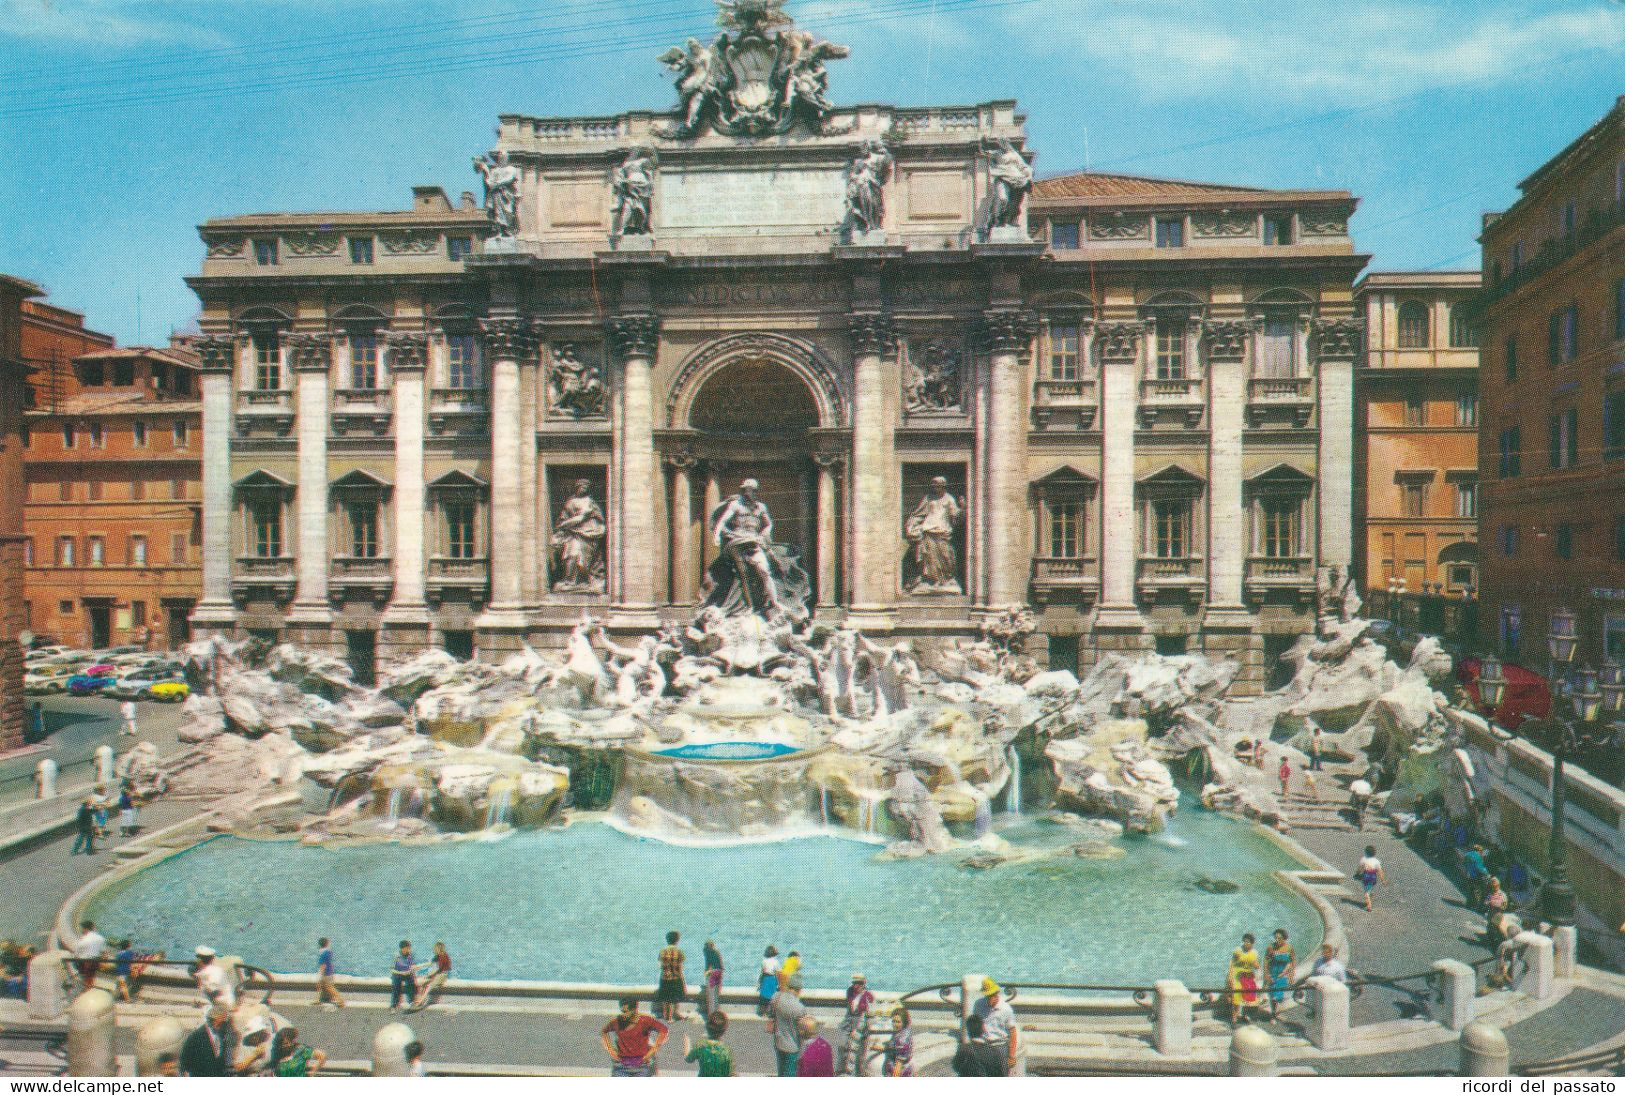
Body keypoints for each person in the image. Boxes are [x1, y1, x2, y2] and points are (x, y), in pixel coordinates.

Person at [903, 477, 964, 593]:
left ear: (943, 486)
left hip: (943, 532)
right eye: (935, 486)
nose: (937, 488)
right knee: (929, 557)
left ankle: (946, 580)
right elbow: (919, 513)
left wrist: (962, 508)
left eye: (939, 486)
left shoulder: (949, 499)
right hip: (928, 531)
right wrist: (913, 523)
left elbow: (955, 516)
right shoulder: (928, 498)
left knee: (946, 556)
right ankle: (931, 581)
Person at [601, 998, 668, 1077]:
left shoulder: (645, 1020)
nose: (624, 1015)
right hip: (621, 1066)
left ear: (635, 1009)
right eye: (622, 1011)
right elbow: (604, 1031)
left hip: (642, 1065)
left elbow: (664, 1030)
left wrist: (653, 1049)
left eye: (626, 1012)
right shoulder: (617, 1021)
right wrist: (610, 1050)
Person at [971, 978, 1018, 1074]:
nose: (990, 998)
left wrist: (1011, 1056)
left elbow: (1013, 1032)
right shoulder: (978, 1005)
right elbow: (975, 1024)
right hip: (983, 1045)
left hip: (1000, 1047)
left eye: (992, 995)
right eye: (988, 995)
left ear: (997, 994)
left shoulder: (1006, 1009)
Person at [768, 974, 809, 1076]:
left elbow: (771, 1014)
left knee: (781, 1072)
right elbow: (803, 1030)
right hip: (792, 1046)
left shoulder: (776, 997)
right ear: (799, 989)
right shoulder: (799, 1007)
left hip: (778, 1042)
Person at [179, 1005, 236, 1077]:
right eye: (222, 1022)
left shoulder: (224, 1035)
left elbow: (226, 1060)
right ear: (212, 1021)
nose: (225, 1025)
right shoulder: (195, 1036)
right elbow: (183, 1062)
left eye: (225, 1022)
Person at [836, 972, 874, 1075]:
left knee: (857, 1051)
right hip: (848, 1021)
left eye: (858, 983)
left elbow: (867, 1012)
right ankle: (839, 1070)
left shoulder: (868, 996)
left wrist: (856, 1029)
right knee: (842, 1045)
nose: (855, 986)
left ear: (863, 984)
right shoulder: (850, 991)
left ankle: (854, 1073)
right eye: (854, 983)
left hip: (860, 1023)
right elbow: (851, 1007)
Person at [683, 1010, 734, 1077]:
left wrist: (686, 1043)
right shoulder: (726, 1050)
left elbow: (688, 1059)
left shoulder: (701, 1045)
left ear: (707, 1027)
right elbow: (729, 1073)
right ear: (724, 1030)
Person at [1226, 934, 1262, 1025]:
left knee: (1249, 996)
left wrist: (1257, 977)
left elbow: (1256, 966)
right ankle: (1234, 1018)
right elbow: (1232, 964)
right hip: (1237, 974)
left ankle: (1245, 1015)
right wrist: (1230, 976)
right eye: (1245, 941)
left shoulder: (1254, 953)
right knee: (1236, 997)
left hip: (1248, 975)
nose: (1246, 943)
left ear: (1252, 943)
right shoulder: (1238, 951)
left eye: (1248, 942)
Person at [1264, 929, 1296, 1020]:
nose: (1277, 940)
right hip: (1273, 972)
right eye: (1276, 938)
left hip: (1283, 973)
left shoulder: (1289, 948)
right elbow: (1266, 960)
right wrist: (1267, 974)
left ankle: (1276, 1013)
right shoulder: (1271, 947)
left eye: (1280, 938)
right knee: (1273, 996)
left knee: (1279, 997)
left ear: (1284, 938)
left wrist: (1291, 975)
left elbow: (1293, 960)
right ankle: (1273, 1015)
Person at [411, 941, 452, 1011]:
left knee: (429, 987)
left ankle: (419, 1003)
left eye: (435, 949)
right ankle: (419, 1000)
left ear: (439, 949)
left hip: (443, 974)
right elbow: (429, 963)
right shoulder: (438, 956)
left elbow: (439, 970)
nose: (434, 950)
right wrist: (418, 966)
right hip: (439, 973)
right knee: (423, 983)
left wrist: (430, 975)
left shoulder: (444, 956)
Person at [656, 931, 686, 1022]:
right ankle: (676, 1013)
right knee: (676, 996)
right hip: (676, 978)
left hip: (665, 977)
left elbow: (660, 965)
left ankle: (667, 1017)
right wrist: (683, 983)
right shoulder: (679, 952)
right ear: (677, 940)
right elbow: (680, 968)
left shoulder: (662, 951)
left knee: (666, 998)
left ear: (667, 940)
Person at [72, 920, 106, 990]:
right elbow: (104, 954)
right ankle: (89, 986)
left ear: (85, 929)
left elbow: (76, 954)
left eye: (82, 928)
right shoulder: (101, 938)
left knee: (80, 968)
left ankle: (85, 987)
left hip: (84, 963)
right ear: (93, 928)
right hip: (95, 962)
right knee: (91, 976)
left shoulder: (83, 939)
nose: (82, 930)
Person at [882, 1006, 915, 1077]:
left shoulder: (903, 1039)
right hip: (892, 1068)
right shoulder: (899, 1033)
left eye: (898, 1022)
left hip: (900, 1072)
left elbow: (899, 1064)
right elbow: (892, 1048)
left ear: (904, 1022)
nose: (895, 1024)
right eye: (893, 1021)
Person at [314, 937, 345, 1008]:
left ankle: (341, 1001)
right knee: (322, 987)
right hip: (330, 972)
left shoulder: (323, 954)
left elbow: (323, 966)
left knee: (329, 988)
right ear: (327, 944)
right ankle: (319, 1000)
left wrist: (319, 976)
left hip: (325, 974)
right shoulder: (328, 952)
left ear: (320, 945)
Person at [1355, 845, 1386, 912]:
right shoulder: (1376, 861)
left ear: (1366, 852)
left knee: (1366, 892)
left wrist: (1357, 874)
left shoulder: (1364, 859)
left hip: (1366, 876)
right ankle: (1370, 895)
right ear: (1374, 853)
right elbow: (1380, 871)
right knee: (1369, 888)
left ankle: (1369, 906)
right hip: (1373, 876)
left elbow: (1360, 868)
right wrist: (1383, 880)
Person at [389, 940, 417, 1011]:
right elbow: (392, 970)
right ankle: (393, 1005)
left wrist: (410, 971)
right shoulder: (396, 956)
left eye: (409, 948)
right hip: (397, 974)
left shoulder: (411, 955)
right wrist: (401, 973)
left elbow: (413, 966)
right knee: (396, 985)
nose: (408, 950)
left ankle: (411, 1002)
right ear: (402, 948)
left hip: (407, 973)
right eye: (407, 948)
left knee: (411, 983)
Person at [700, 940, 723, 1019]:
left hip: (711, 974)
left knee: (711, 996)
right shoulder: (717, 952)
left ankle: (711, 1015)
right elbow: (721, 967)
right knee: (716, 995)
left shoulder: (707, 952)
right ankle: (716, 1013)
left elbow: (707, 966)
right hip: (717, 973)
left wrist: (706, 975)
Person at [1483, 876, 1511, 940]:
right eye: (1492, 886)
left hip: (1498, 914)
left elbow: (1504, 906)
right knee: (1490, 926)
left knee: (1495, 927)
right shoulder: (1490, 894)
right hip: (1491, 913)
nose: (1494, 888)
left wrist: (1497, 906)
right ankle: (1489, 939)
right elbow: (1486, 902)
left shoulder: (1502, 895)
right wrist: (1489, 903)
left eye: (1495, 886)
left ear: (1498, 886)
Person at [757, 945, 781, 1016]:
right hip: (772, 979)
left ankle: (763, 1012)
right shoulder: (776, 962)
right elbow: (778, 973)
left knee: (764, 996)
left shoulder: (764, 961)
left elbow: (762, 973)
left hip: (765, 979)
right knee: (772, 996)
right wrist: (779, 984)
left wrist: (759, 984)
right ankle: (771, 1012)